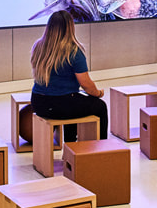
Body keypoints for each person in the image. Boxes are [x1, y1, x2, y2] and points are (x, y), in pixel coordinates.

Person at [30, 9, 108, 141]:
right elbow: (85, 83)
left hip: (38, 103)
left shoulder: (38, 46)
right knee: (100, 106)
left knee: (73, 100)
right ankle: (100, 151)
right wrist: (98, 93)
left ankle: (71, 146)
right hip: (62, 106)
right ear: (70, 28)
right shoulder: (74, 51)